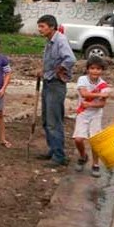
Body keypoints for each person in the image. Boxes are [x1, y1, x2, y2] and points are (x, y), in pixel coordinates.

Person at [35, 14, 76, 167]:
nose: (39, 29)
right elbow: (51, 61)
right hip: (48, 82)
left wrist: (59, 71)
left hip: (56, 85)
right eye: (39, 26)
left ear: (52, 27)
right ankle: (52, 150)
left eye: (42, 26)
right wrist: (44, 71)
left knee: (53, 121)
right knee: (46, 120)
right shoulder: (50, 41)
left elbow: (70, 59)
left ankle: (59, 156)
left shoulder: (60, 40)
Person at [73, 55, 110, 178]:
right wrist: (100, 95)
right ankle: (83, 156)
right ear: (88, 69)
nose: (95, 71)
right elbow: (83, 93)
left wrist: (89, 103)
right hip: (82, 113)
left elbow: (102, 104)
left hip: (95, 114)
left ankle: (95, 164)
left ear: (102, 70)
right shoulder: (82, 79)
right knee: (78, 139)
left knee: (95, 140)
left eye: (98, 69)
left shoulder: (103, 84)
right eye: (93, 68)